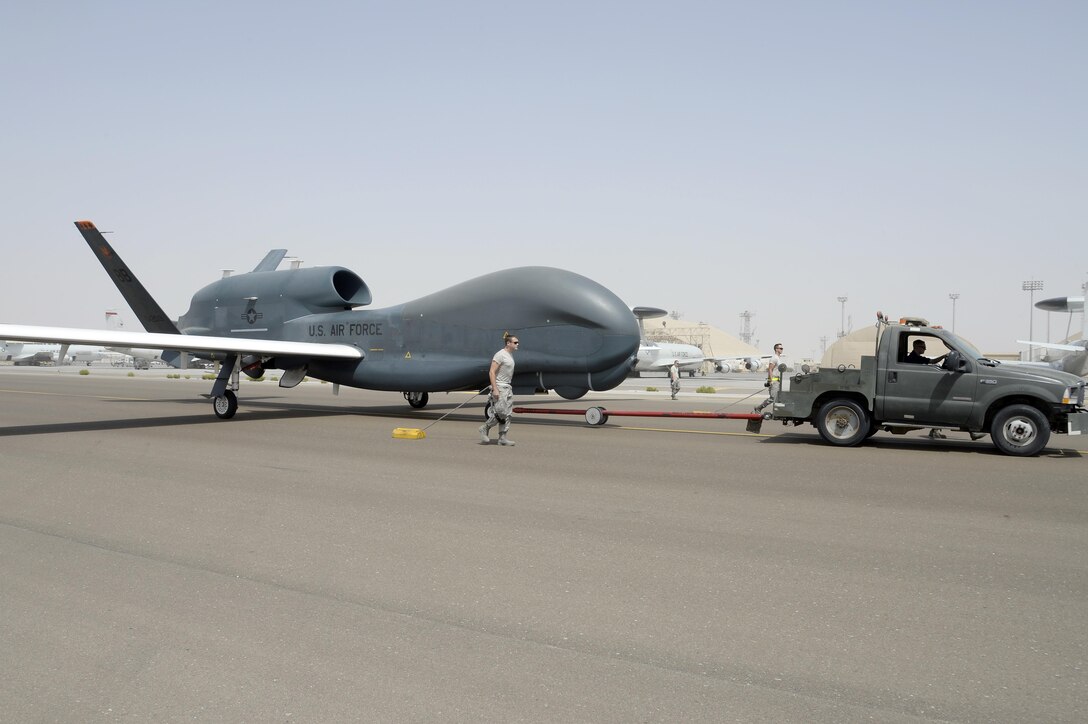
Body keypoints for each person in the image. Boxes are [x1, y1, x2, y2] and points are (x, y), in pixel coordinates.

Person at [479, 332, 519, 446]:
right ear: (508, 343)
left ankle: (502, 438)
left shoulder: (510, 355)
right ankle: (484, 428)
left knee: (508, 414)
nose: (518, 344)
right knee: (500, 412)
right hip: (500, 387)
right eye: (515, 342)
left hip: (507, 387)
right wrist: (495, 389)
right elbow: (492, 372)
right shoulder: (500, 355)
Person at [754, 343, 784, 414]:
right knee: (773, 398)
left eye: (782, 348)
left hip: (778, 381)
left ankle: (776, 412)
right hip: (774, 381)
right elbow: (770, 369)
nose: (782, 350)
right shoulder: (774, 358)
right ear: (776, 349)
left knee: (777, 398)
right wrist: (770, 381)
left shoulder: (778, 358)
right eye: (781, 348)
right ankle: (759, 408)